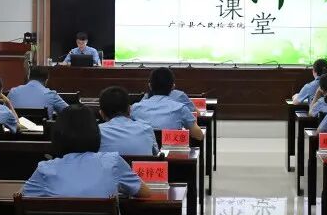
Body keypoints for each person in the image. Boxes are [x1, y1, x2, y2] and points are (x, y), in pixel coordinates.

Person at [23, 105, 151, 198]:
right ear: (95, 132)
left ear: (57, 136)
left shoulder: (45, 170)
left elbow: (20, 197)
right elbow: (145, 193)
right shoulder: (112, 162)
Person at [131, 67, 204, 140]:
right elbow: (199, 136)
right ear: (173, 87)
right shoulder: (180, 109)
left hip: (144, 147)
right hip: (172, 147)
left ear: (150, 86)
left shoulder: (135, 108)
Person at [98, 86, 159, 156]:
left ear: (102, 113)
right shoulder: (146, 129)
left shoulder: (96, 133)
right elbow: (155, 156)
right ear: (129, 109)